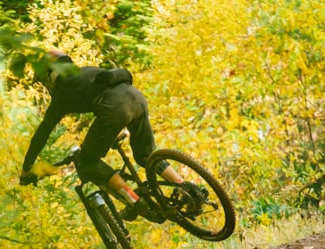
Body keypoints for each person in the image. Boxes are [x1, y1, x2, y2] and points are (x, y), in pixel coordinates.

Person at [18, 50, 201, 221]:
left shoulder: (63, 90)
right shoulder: (84, 72)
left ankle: (134, 201)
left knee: (87, 161)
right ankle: (184, 187)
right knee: (145, 154)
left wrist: (27, 169)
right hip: (136, 97)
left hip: (113, 108)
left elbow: (41, 135)